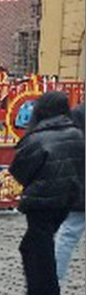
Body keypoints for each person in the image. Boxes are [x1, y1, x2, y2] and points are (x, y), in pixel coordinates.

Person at [10, 91, 84, 295]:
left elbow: (19, 169)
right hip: (66, 200)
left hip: (41, 202)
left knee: (41, 254)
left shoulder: (37, 138)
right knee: (33, 247)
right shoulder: (75, 134)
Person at [54, 103, 86, 283]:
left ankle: (53, 285)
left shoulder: (77, 114)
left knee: (68, 235)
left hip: (79, 181)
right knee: (68, 233)